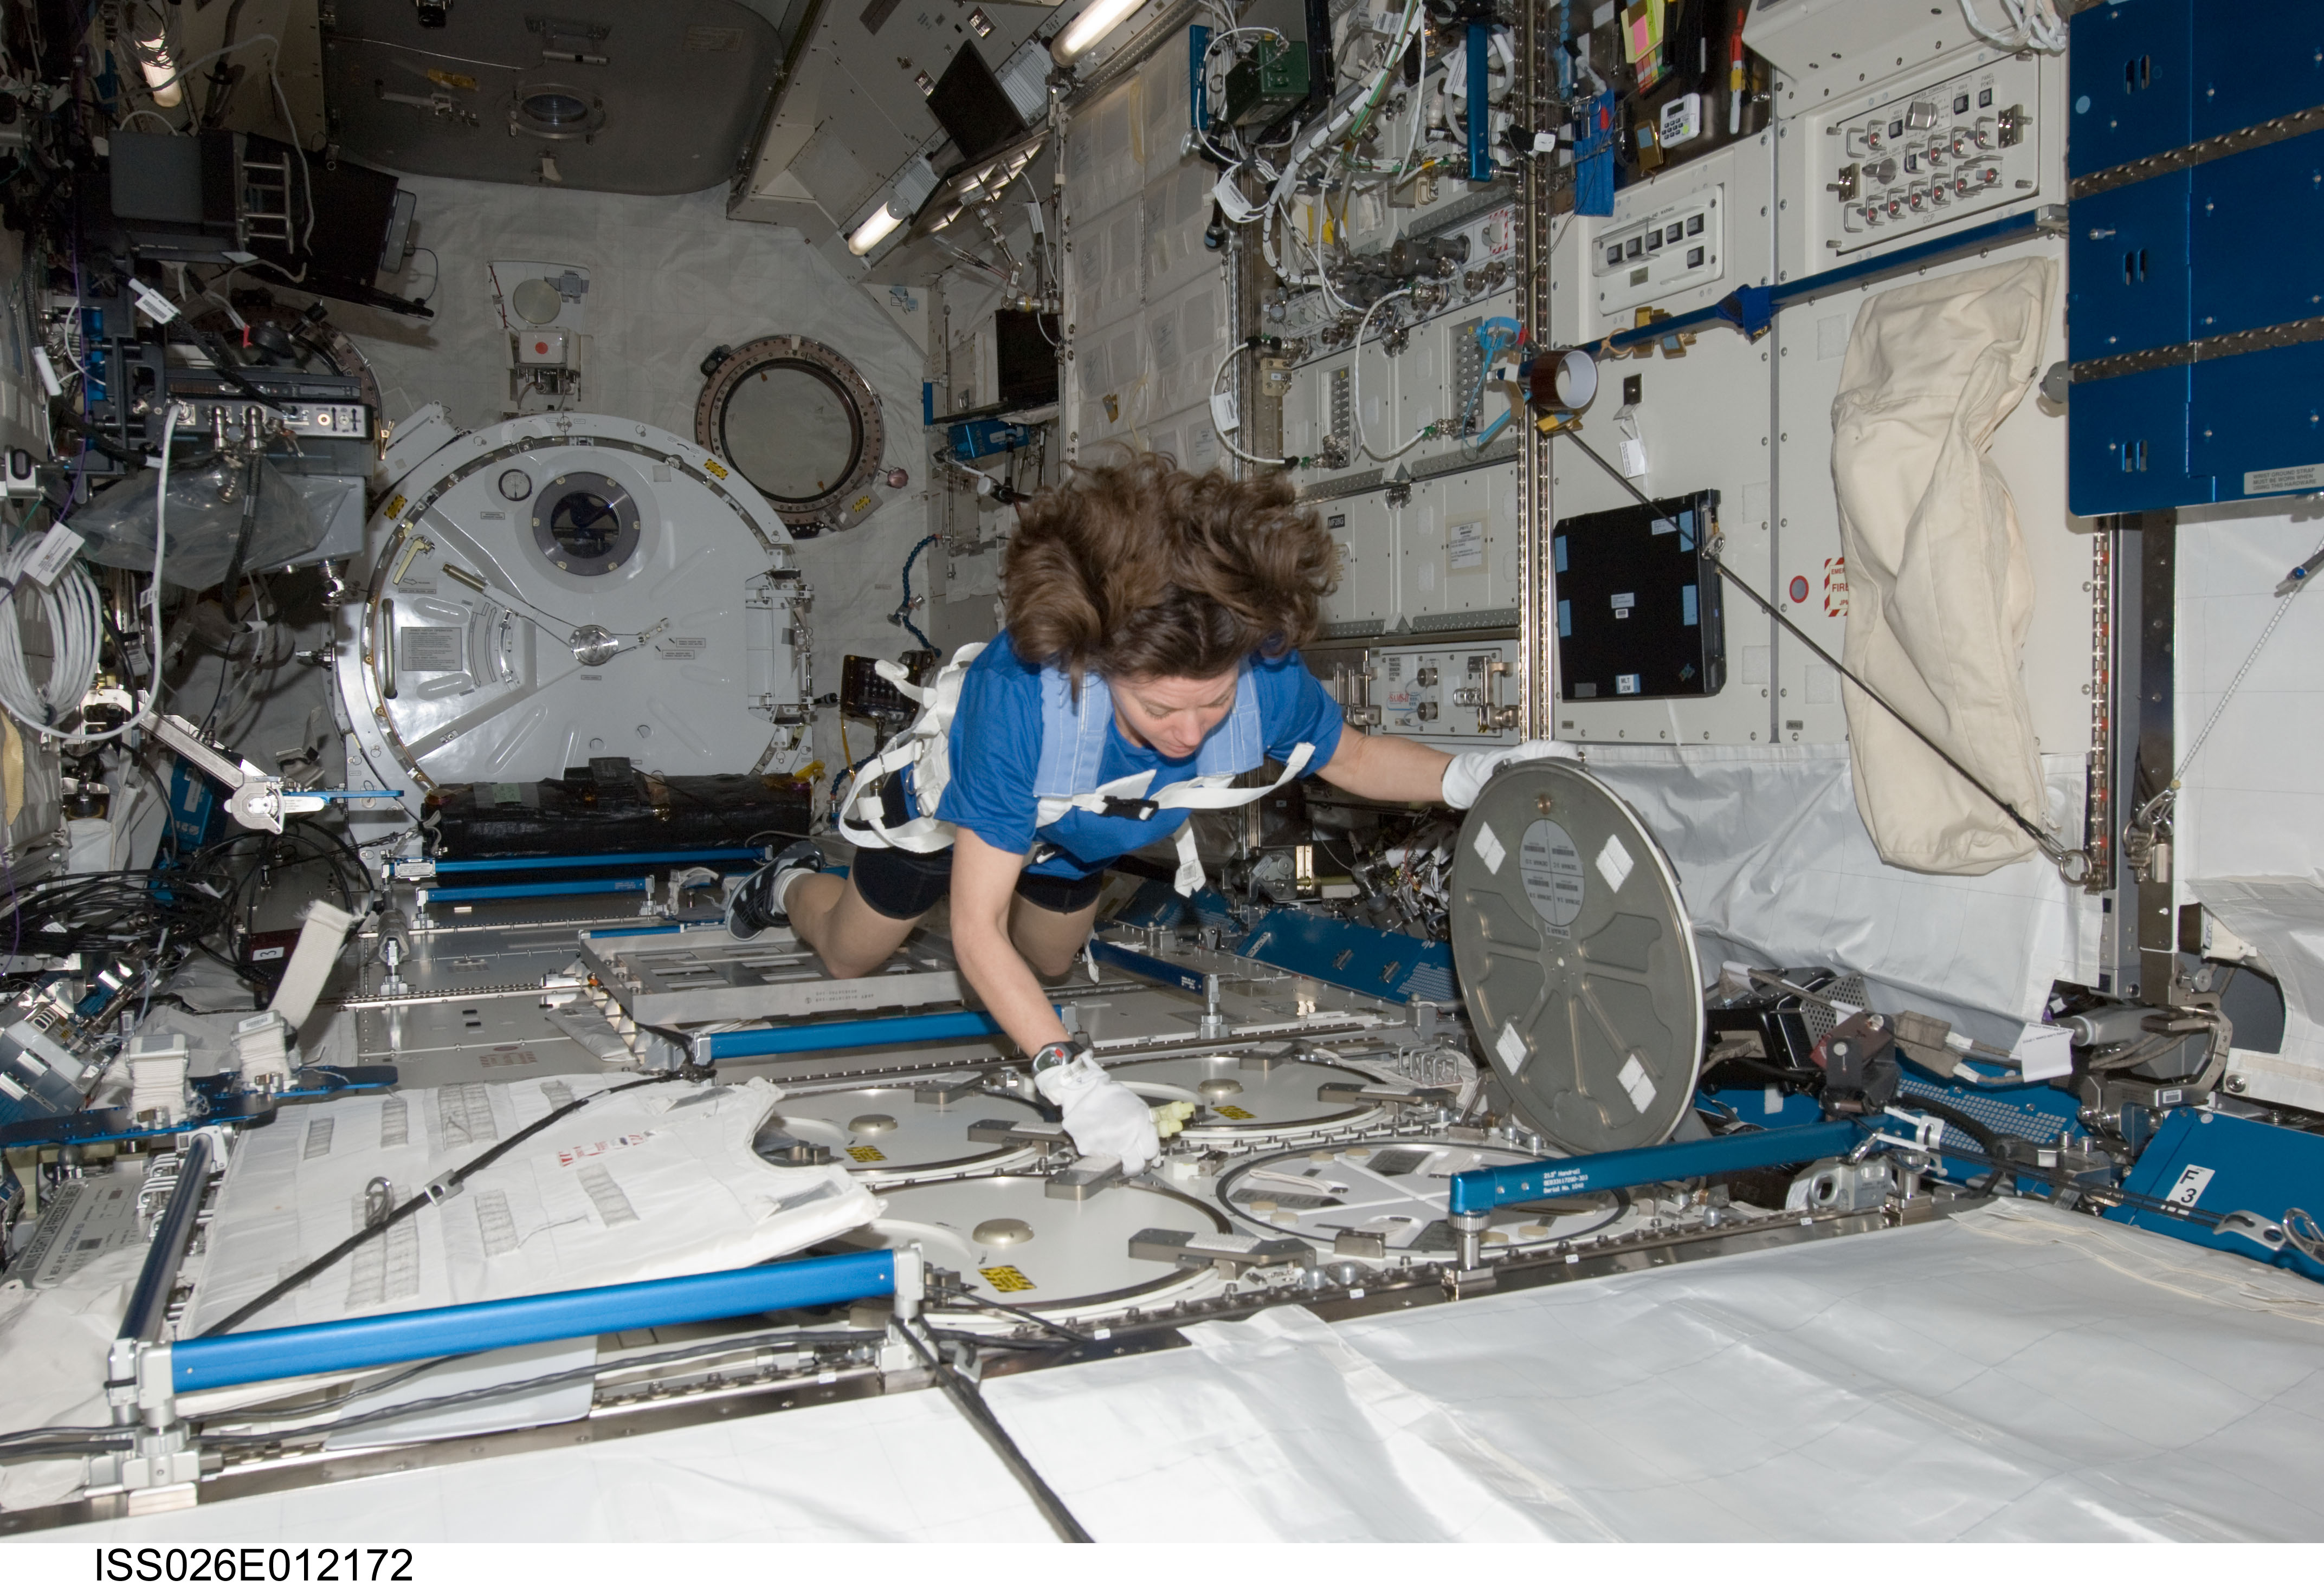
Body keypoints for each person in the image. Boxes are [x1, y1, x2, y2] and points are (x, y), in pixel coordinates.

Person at [735, 456, 1570, 1172]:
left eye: (1212, 705)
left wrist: (1470, 774)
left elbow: (1354, 758)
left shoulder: (1264, 676)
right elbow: (975, 927)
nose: (1189, 735)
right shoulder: (1019, 699)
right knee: (850, 954)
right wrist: (1070, 1078)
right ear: (1098, 664)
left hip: (1080, 835)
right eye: (1160, 710)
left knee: (1049, 964)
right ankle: (788, 881)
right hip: (957, 815)